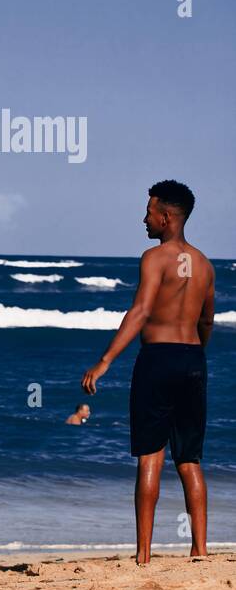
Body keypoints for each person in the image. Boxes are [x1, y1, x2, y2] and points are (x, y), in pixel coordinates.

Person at [81, 180, 213, 565]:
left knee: (150, 457)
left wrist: (105, 360)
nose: (145, 218)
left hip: (157, 359)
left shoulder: (153, 258)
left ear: (167, 217)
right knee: (189, 458)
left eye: (150, 211)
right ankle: (200, 550)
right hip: (193, 360)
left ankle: (143, 555)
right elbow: (207, 320)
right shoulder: (205, 264)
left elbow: (140, 311)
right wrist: (194, 358)